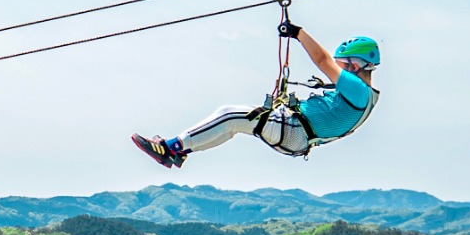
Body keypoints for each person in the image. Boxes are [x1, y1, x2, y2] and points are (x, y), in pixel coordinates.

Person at [132, 24, 380, 168]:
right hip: (298, 137)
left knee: (228, 114)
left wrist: (298, 32)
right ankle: (182, 152)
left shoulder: (358, 90)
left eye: (342, 64)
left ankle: (169, 147)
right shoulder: (366, 98)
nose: (338, 69)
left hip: (295, 131)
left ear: (355, 66)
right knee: (231, 126)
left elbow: (321, 60)